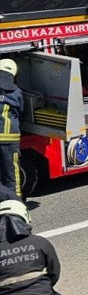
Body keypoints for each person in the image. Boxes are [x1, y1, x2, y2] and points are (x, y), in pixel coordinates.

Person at [0, 59, 23, 201]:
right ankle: (16, 206)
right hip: (10, 140)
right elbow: (21, 110)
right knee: (12, 176)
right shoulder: (16, 91)